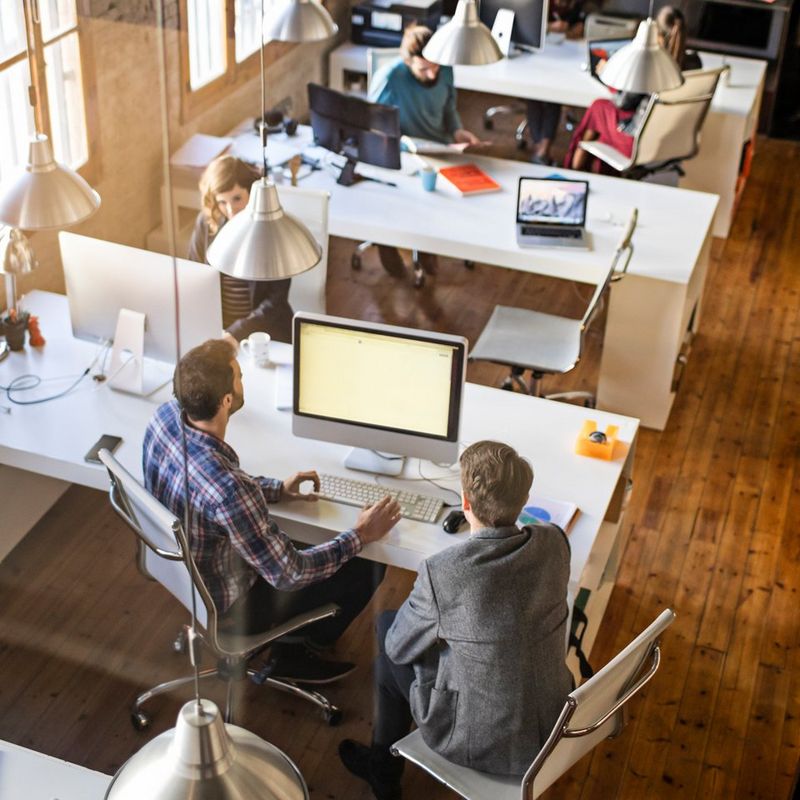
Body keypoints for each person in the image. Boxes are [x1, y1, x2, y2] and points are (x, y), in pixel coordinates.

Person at [143, 338, 402, 683]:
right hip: (233, 607)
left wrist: (277, 489)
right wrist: (360, 535)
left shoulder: (164, 419)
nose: (242, 380)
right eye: (238, 376)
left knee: (307, 537)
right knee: (369, 563)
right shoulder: (230, 490)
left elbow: (212, 490)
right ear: (226, 400)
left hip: (182, 575)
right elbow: (290, 574)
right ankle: (296, 653)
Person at [339, 440, 573, 799]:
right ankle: (382, 769)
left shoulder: (444, 572)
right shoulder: (555, 542)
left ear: (464, 504)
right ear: (524, 501)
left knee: (387, 644)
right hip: (553, 719)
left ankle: (383, 775)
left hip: (482, 742)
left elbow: (399, 648)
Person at [368, 25, 485, 278]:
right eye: (424, 69)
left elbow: (449, 107)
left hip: (441, 149)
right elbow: (373, 128)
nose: (433, 75)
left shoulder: (445, 69)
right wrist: (405, 145)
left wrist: (457, 131)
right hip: (405, 154)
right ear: (408, 63)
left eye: (436, 67)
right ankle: (386, 242)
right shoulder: (390, 79)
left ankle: (427, 245)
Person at [565, 6, 701, 172]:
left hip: (638, 140)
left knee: (599, 108)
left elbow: (624, 102)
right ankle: (590, 170)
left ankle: (576, 170)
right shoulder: (694, 63)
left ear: (655, 34)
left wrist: (606, 75)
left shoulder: (648, 64)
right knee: (602, 115)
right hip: (670, 137)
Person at [188, 155, 295, 343]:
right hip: (219, 329)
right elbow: (193, 274)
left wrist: (236, 332)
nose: (230, 210)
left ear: (251, 193)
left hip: (264, 329)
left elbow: (275, 301)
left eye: (237, 199)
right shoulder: (206, 224)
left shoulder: (272, 226)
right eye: (222, 202)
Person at [525, 0, 593, 165]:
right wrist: (549, 27)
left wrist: (571, 30)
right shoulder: (537, 4)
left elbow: (580, 28)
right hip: (537, 53)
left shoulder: (576, 5)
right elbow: (527, 25)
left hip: (566, 56)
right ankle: (541, 147)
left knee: (553, 96)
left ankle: (543, 148)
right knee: (534, 93)